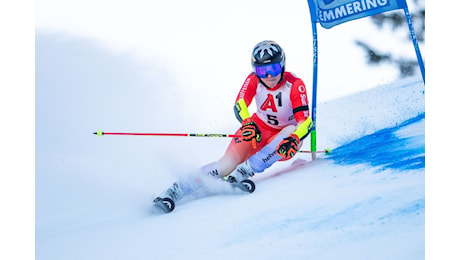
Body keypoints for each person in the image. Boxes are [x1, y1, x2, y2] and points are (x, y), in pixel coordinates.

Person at [154, 40, 313, 212]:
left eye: (273, 69)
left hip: (283, 139)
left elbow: (305, 122)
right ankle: (175, 190)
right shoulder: (254, 80)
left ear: (282, 65)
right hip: (258, 130)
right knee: (225, 165)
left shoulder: (295, 85)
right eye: (261, 70)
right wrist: (247, 124)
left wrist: (295, 138)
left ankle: (244, 171)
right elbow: (240, 104)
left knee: (289, 131)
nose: (268, 76)